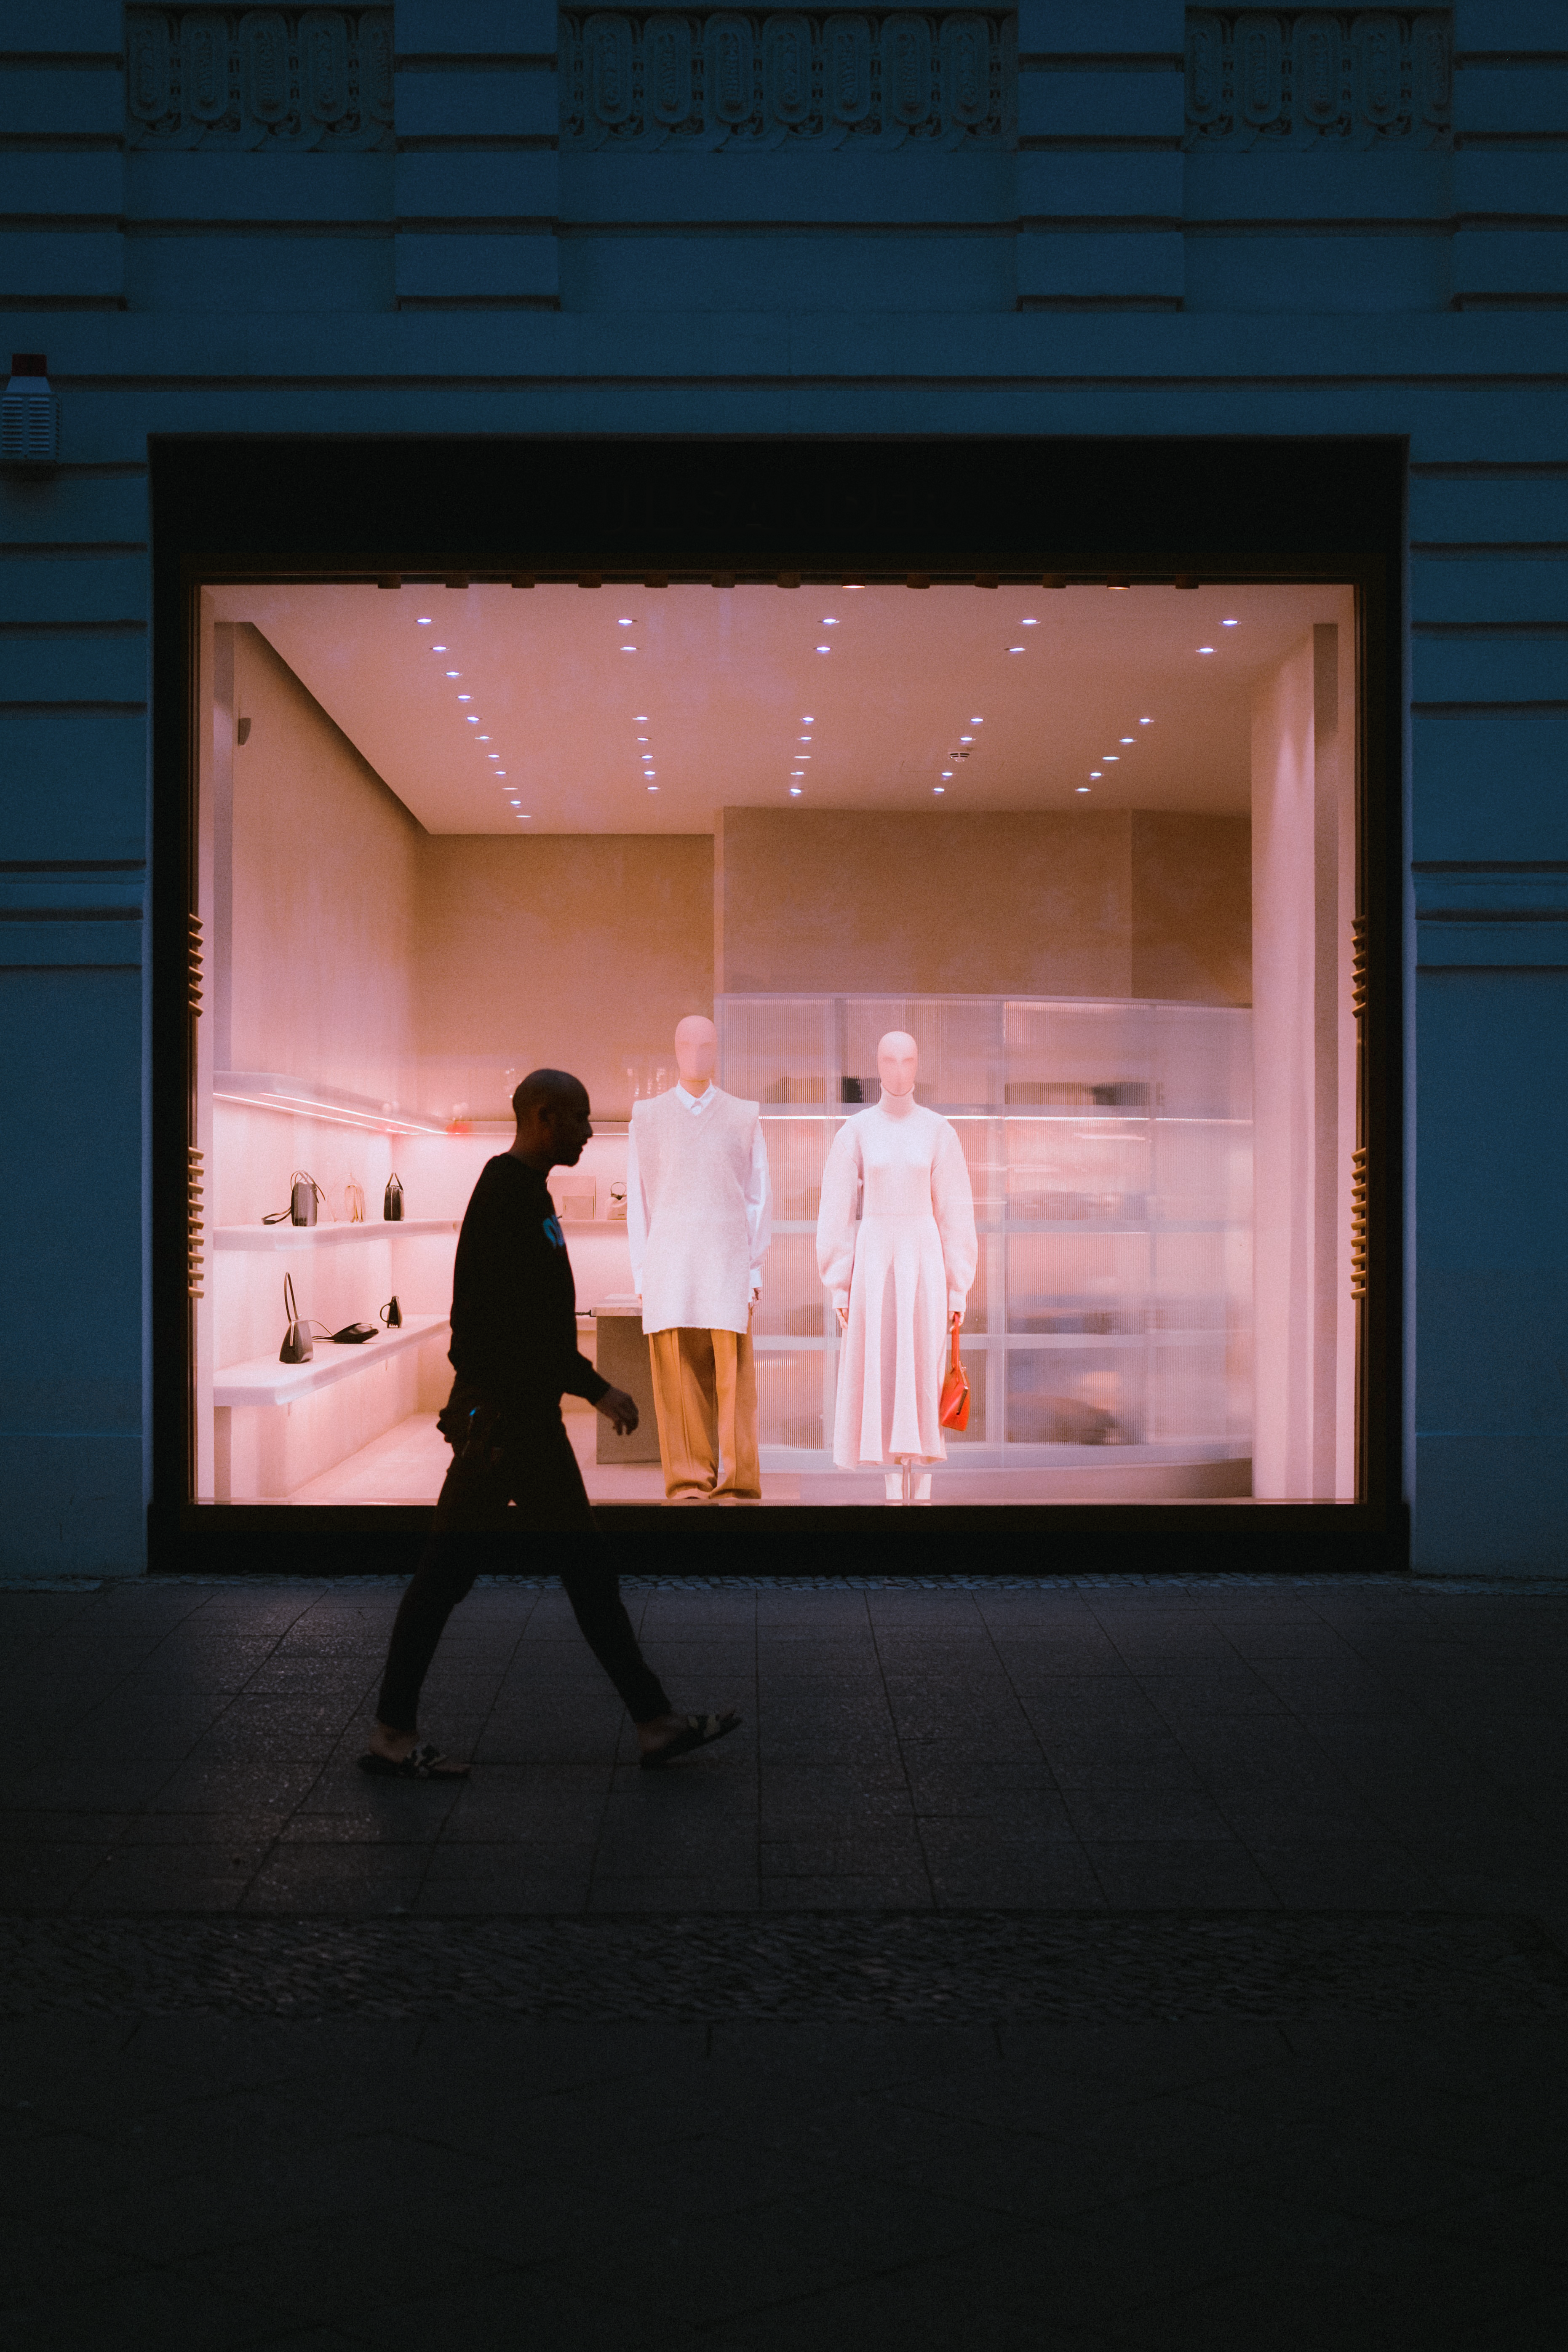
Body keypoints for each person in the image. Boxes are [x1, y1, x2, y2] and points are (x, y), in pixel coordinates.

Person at [359, 1069, 743, 1779]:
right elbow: (496, 1323)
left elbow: (522, 1321)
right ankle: (390, 1733)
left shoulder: (523, 1191)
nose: (590, 1132)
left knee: (574, 1570)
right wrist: (591, 1388)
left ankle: (654, 1721)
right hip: (507, 1427)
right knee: (456, 1575)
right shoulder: (507, 1193)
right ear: (544, 1117)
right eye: (579, 1118)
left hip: (518, 1421)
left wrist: (578, 1388)